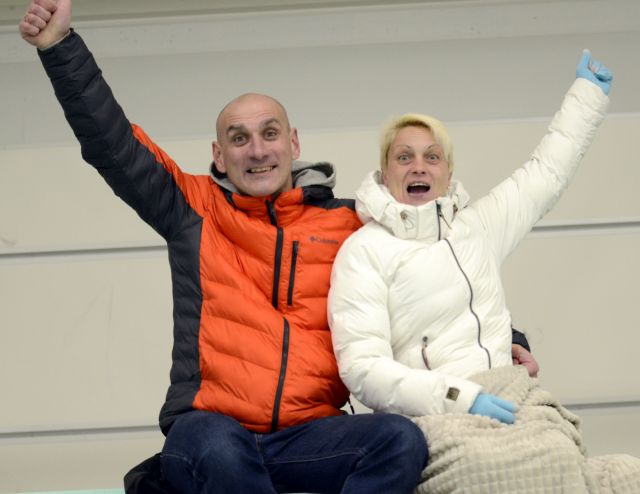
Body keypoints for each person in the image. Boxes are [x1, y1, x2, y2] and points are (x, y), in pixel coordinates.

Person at [19, 0, 537, 492]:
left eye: (269, 134)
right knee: (220, 454)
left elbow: (434, 275)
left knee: (398, 440)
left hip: (310, 434)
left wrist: (508, 336)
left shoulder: (350, 223)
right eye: (239, 138)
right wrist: (60, 46)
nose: (257, 150)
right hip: (211, 427)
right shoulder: (191, 210)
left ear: (293, 143)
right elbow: (113, 144)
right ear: (219, 155)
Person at [328, 51, 611, 424]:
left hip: (512, 399)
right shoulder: (364, 252)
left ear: (448, 173)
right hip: (435, 418)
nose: (418, 167)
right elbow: (363, 367)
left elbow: (546, 173)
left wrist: (588, 93)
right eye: (404, 157)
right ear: (385, 171)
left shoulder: (478, 227)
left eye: (432, 157)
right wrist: (458, 399)